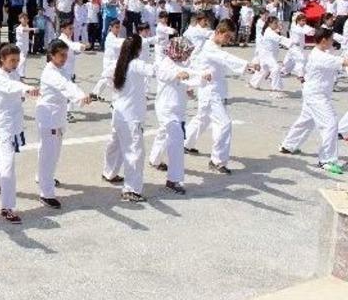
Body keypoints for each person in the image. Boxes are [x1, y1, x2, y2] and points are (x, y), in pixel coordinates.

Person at [279, 28, 348, 175]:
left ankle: (288, 145)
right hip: (317, 96)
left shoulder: (320, 53)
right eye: (331, 39)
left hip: (313, 92)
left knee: (306, 121)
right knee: (330, 123)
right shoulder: (321, 57)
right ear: (324, 40)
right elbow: (344, 62)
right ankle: (327, 160)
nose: (332, 42)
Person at [184, 20, 254, 174]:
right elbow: (225, 58)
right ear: (218, 32)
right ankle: (217, 161)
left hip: (213, 90)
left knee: (202, 119)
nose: (228, 40)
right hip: (211, 92)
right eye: (227, 36)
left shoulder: (213, 46)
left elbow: (221, 61)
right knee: (224, 124)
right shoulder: (210, 48)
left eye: (230, 37)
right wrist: (247, 64)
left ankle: (186, 143)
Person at [0, 44, 40, 223]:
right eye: (12, 60)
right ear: (2, 60)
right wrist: (26, 88)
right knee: (8, 165)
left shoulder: (13, 73)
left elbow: (17, 89)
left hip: (14, 123)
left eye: (17, 60)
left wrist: (28, 92)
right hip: (5, 125)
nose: (15, 63)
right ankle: (7, 207)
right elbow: (11, 86)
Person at [147, 37, 211, 194]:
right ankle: (173, 180)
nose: (188, 55)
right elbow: (167, 75)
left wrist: (200, 79)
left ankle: (155, 160)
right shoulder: (165, 64)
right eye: (186, 52)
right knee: (176, 142)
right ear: (177, 50)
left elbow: (189, 77)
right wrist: (179, 76)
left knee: (163, 134)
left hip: (178, 109)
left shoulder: (182, 64)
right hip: (167, 110)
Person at [34, 40, 90, 208]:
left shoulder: (61, 69)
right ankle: (46, 193)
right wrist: (80, 96)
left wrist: (79, 95)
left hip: (57, 116)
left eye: (66, 55)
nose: (65, 58)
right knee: (49, 155)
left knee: (50, 152)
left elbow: (69, 84)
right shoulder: (51, 73)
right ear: (52, 56)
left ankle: (42, 177)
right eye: (61, 55)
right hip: (49, 117)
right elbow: (65, 86)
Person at [101, 35, 155, 202]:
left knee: (115, 145)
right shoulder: (136, 64)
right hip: (131, 117)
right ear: (138, 49)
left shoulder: (119, 63)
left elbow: (105, 77)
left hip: (119, 113)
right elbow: (155, 71)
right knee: (135, 153)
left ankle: (109, 173)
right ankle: (131, 190)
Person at [248, 16, 291, 97]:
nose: (277, 24)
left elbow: (278, 33)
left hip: (269, 55)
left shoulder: (271, 30)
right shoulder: (269, 32)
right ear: (269, 24)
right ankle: (276, 90)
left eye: (277, 23)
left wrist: (279, 29)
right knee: (276, 68)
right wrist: (291, 42)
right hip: (267, 55)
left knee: (264, 70)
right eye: (275, 23)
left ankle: (253, 83)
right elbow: (280, 39)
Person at [91, 19, 123, 101]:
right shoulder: (110, 37)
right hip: (109, 62)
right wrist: (127, 41)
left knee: (106, 79)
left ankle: (94, 94)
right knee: (109, 80)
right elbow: (118, 43)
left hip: (114, 61)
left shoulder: (116, 36)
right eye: (116, 27)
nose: (118, 29)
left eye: (119, 27)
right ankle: (117, 98)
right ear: (111, 28)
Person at [281, 13, 315, 79]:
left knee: (290, 60)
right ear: (298, 21)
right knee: (301, 59)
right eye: (302, 20)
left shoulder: (303, 26)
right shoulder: (295, 27)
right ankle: (300, 75)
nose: (304, 22)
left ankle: (284, 71)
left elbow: (310, 30)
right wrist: (311, 31)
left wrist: (313, 30)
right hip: (295, 47)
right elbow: (307, 32)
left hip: (299, 47)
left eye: (305, 20)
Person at [15, 13, 37, 78]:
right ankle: (17, 72)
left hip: (26, 46)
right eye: (24, 18)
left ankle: (21, 73)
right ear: (19, 20)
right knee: (22, 59)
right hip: (20, 46)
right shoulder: (19, 28)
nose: (25, 20)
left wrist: (30, 41)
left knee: (24, 61)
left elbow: (26, 35)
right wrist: (32, 29)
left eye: (26, 19)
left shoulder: (27, 25)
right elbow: (24, 30)